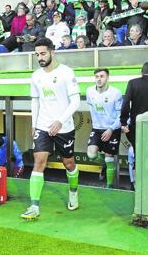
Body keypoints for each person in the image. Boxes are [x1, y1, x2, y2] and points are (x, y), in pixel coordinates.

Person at [22, 38, 80, 220]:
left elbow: (76, 101)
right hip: (43, 126)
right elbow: (35, 100)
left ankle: (73, 192)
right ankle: (34, 206)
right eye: (37, 54)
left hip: (64, 127)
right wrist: (34, 124)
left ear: (52, 52)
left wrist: (60, 121)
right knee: (39, 161)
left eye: (43, 53)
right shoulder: (35, 76)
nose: (40, 57)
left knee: (68, 163)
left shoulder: (66, 73)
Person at [86, 68, 123, 188]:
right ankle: (106, 165)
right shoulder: (89, 91)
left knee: (109, 157)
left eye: (102, 76)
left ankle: (109, 186)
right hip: (97, 128)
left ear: (107, 78)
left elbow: (120, 115)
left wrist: (111, 129)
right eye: (97, 76)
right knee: (91, 155)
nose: (99, 79)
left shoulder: (116, 93)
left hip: (112, 129)